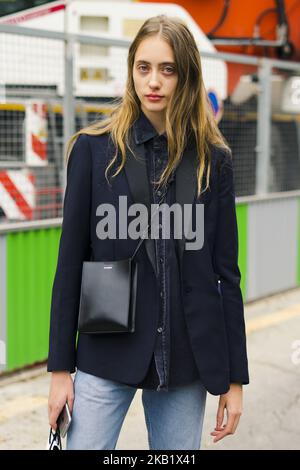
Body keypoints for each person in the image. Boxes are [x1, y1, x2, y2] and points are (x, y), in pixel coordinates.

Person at [47, 14, 249, 450]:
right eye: (143, 67)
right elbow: (69, 267)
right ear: (131, 72)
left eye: (167, 69)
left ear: (187, 76)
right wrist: (60, 370)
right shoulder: (93, 150)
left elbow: (226, 274)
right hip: (106, 349)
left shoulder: (214, 160)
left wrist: (235, 377)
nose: (153, 81)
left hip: (186, 357)